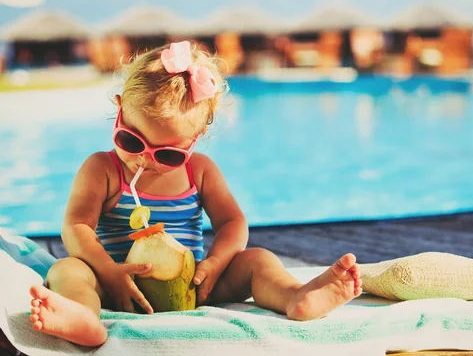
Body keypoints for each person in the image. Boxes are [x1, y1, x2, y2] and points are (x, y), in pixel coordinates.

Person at [28, 41, 362, 347]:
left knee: (257, 260)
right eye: (131, 140)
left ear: (196, 138)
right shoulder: (103, 168)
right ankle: (85, 319)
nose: (145, 159)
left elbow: (232, 221)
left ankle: (296, 296)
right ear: (119, 109)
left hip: (193, 289)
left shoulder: (199, 171)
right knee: (67, 270)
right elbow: (77, 225)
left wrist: (215, 264)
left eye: (168, 155)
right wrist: (107, 271)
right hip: (114, 288)